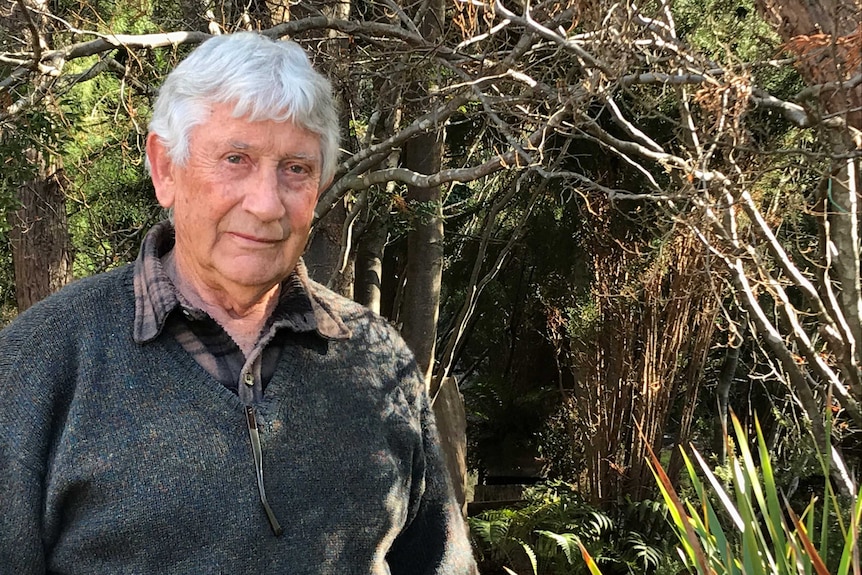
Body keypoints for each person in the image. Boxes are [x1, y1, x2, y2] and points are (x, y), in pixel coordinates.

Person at [0, 32, 477, 574]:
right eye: (235, 158)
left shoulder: (375, 357)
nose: (266, 203)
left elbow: (441, 563)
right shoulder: (34, 365)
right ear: (165, 167)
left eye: (295, 168)